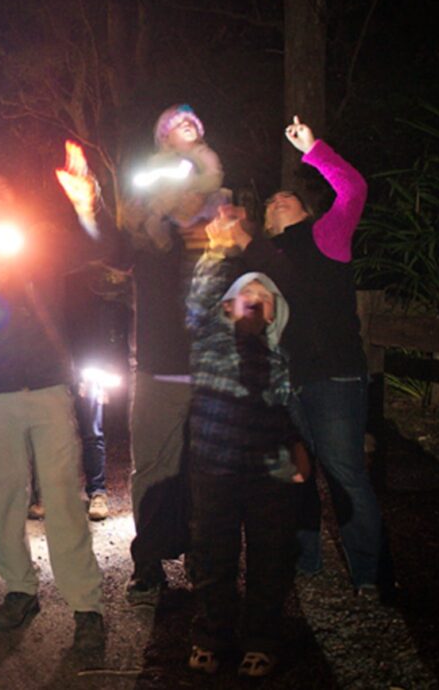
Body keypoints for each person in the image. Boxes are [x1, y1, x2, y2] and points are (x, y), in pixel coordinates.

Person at [0, 147, 109, 654]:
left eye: (2, 189)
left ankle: (86, 604)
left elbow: (100, 247)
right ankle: (20, 589)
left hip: (47, 387)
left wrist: (87, 205)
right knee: (7, 498)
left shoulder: (42, 243)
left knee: (64, 495)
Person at [244, 117, 387, 597]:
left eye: (288, 197)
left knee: (345, 472)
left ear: (304, 210)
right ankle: (305, 560)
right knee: (296, 475)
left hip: (334, 374)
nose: (278, 199)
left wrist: (313, 149)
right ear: (265, 221)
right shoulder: (260, 255)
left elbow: (354, 189)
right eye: (271, 201)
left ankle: (369, 573)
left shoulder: (326, 236)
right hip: (286, 380)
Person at [108, 103, 226, 606]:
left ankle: (206, 558)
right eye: (174, 127)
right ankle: (149, 561)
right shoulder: (140, 211)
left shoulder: (219, 205)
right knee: (152, 468)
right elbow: (114, 260)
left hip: (207, 365)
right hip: (156, 362)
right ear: (160, 143)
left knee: (207, 471)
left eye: (193, 127)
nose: (185, 132)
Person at [183, 207, 304, 678]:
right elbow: (200, 296)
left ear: (276, 312)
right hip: (214, 463)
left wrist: (297, 452)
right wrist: (215, 248)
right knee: (213, 553)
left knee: (269, 557)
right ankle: (210, 635)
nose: (253, 301)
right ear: (227, 306)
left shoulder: (282, 355)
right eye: (244, 296)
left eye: (264, 298)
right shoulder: (209, 335)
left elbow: (292, 412)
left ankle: (261, 638)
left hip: (269, 469)